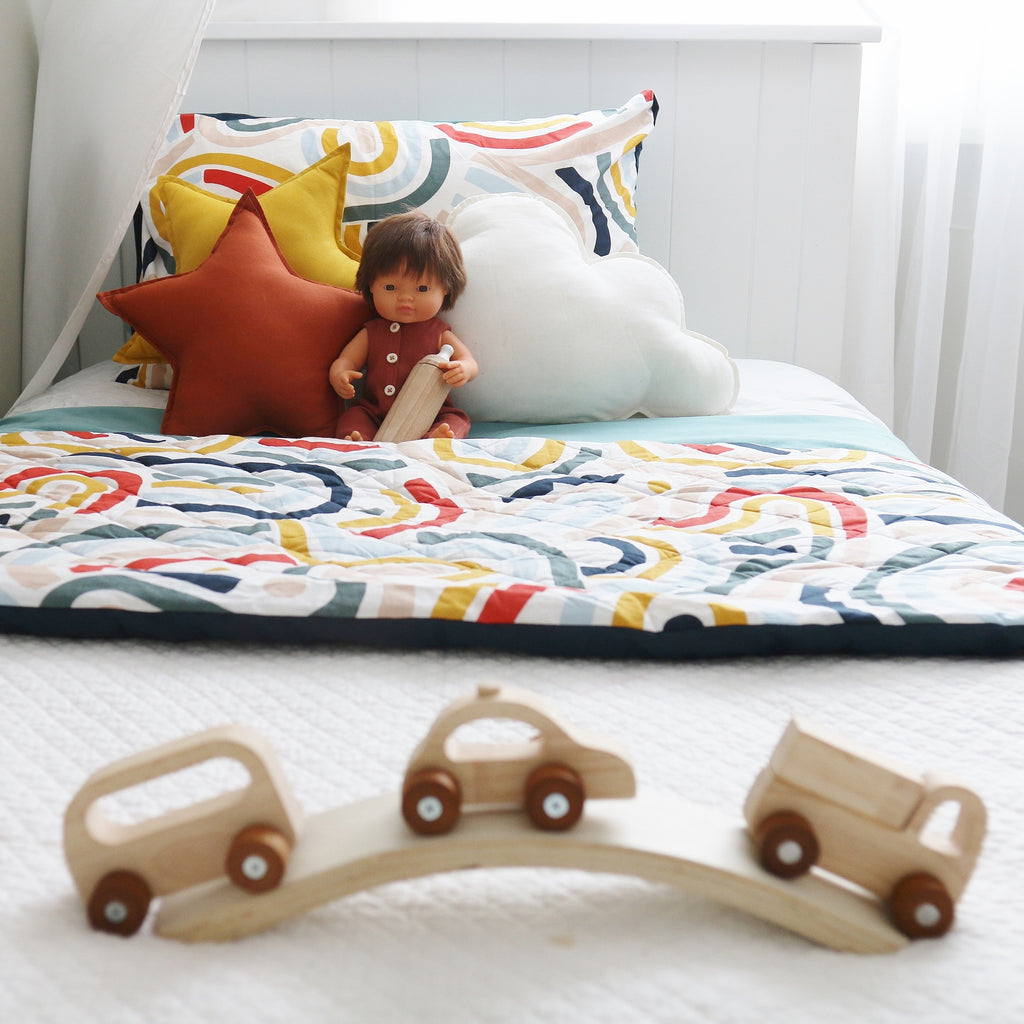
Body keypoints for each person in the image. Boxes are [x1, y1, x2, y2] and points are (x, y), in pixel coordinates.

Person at [330, 212, 478, 440]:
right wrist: (340, 373)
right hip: (375, 411)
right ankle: (357, 439)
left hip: (429, 412)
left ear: (446, 288)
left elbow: (469, 361)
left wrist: (464, 370)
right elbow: (347, 359)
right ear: (371, 285)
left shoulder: (438, 333)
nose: (405, 299)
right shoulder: (372, 331)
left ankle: (435, 438)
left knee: (456, 419)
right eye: (390, 288)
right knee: (354, 416)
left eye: (421, 289)